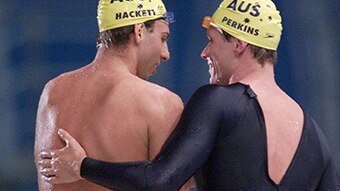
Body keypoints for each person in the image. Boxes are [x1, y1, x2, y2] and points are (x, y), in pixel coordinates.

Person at [38, 0, 340, 190]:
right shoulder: (315, 134)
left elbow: (160, 180)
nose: (204, 52)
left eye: (211, 41)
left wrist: (82, 165)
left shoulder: (52, 93)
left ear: (238, 45)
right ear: (139, 32)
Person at [34, 0, 195, 190]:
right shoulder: (159, 102)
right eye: (163, 38)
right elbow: (171, 184)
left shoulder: (53, 91)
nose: (166, 54)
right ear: (139, 31)